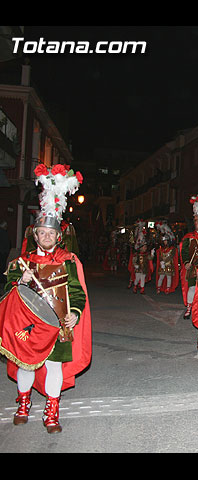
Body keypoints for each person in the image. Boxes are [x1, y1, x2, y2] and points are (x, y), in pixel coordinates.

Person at [0, 164, 91, 434]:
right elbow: (6, 290)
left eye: (51, 233)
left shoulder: (69, 261)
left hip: (58, 324)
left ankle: (52, 411)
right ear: (35, 235)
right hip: (28, 325)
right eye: (42, 233)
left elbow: (77, 292)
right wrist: (19, 281)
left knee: (54, 367)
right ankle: (23, 404)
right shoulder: (20, 263)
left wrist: (74, 311)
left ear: (58, 237)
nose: (46, 236)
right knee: (26, 366)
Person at [128, 220, 154, 294]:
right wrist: (135, 265)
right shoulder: (137, 254)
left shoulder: (146, 254)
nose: (145, 248)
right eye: (144, 247)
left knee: (143, 279)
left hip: (144, 268)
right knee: (137, 278)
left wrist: (152, 254)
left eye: (146, 247)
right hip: (138, 269)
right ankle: (135, 287)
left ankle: (142, 289)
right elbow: (134, 260)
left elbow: (150, 259)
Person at [155, 222, 180, 294]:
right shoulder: (161, 249)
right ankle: (159, 288)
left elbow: (171, 256)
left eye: (166, 241)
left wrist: (165, 261)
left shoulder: (172, 249)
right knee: (161, 277)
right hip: (162, 265)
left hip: (169, 265)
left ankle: (168, 289)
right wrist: (161, 261)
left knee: (169, 278)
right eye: (164, 241)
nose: (165, 242)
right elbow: (159, 255)